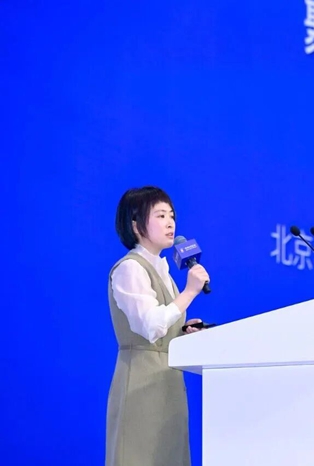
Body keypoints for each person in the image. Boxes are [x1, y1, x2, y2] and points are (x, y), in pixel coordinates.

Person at [105, 186, 210, 466]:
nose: (170, 223)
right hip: (142, 383)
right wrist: (189, 292)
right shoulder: (130, 268)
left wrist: (183, 330)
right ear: (135, 224)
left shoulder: (164, 271)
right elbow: (150, 325)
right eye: (160, 215)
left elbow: (165, 324)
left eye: (171, 215)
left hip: (169, 383)